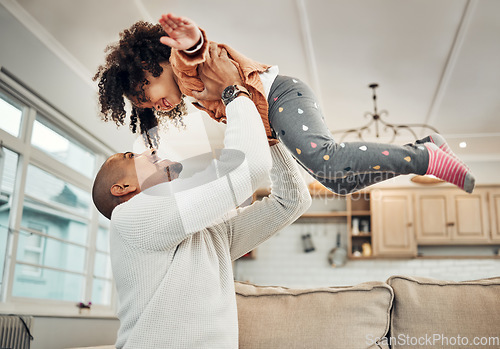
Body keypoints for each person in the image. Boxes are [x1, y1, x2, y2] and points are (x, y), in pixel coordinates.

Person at [93, 13, 475, 194]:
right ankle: (423, 154)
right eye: (145, 107)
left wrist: (191, 41)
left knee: (327, 158)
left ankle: (425, 154)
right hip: (277, 111)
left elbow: (197, 53)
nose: (153, 106)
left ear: (150, 65)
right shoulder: (192, 97)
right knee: (335, 181)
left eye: (147, 95)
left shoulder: (182, 67)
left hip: (281, 95)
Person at [92, 44, 311, 348]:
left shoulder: (203, 235)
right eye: (133, 155)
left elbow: (293, 202)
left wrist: (268, 135)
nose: (151, 150)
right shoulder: (129, 218)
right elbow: (249, 170)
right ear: (123, 189)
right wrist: (233, 91)